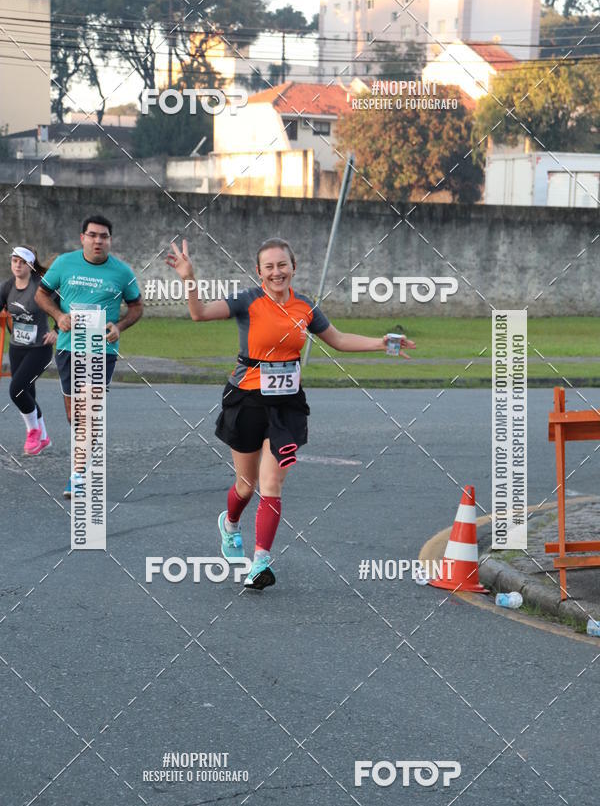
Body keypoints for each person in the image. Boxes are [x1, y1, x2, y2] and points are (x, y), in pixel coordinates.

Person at [166, 237, 415, 591]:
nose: (276, 272)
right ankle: (230, 523)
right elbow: (199, 313)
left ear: (293, 268)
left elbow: (340, 340)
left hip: (287, 407)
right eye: (269, 266)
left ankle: (261, 562)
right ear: (259, 272)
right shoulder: (247, 300)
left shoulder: (305, 308)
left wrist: (386, 343)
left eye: (282, 264)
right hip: (246, 400)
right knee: (246, 485)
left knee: (272, 483)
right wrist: (188, 277)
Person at [35, 215, 143, 497]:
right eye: (93, 235)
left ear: (110, 240)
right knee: (75, 415)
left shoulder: (121, 272)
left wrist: (119, 327)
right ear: (82, 237)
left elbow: (137, 307)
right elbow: (41, 295)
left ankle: (78, 474)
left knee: (87, 414)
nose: (98, 240)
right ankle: (85, 453)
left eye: (104, 236)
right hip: (69, 347)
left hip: (101, 350)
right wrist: (58, 315)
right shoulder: (64, 264)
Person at [0, 246, 57, 456]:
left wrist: (58, 330)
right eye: (14, 261)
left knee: (16, 390)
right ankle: (43, 438)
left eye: (22, 262)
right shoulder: (7, 287)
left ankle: (33, 431)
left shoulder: (41, 287)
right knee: (27, 393)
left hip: (40, 349)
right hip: (17, 349)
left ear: (30, 265)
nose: (17, 265)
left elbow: (63, 306)